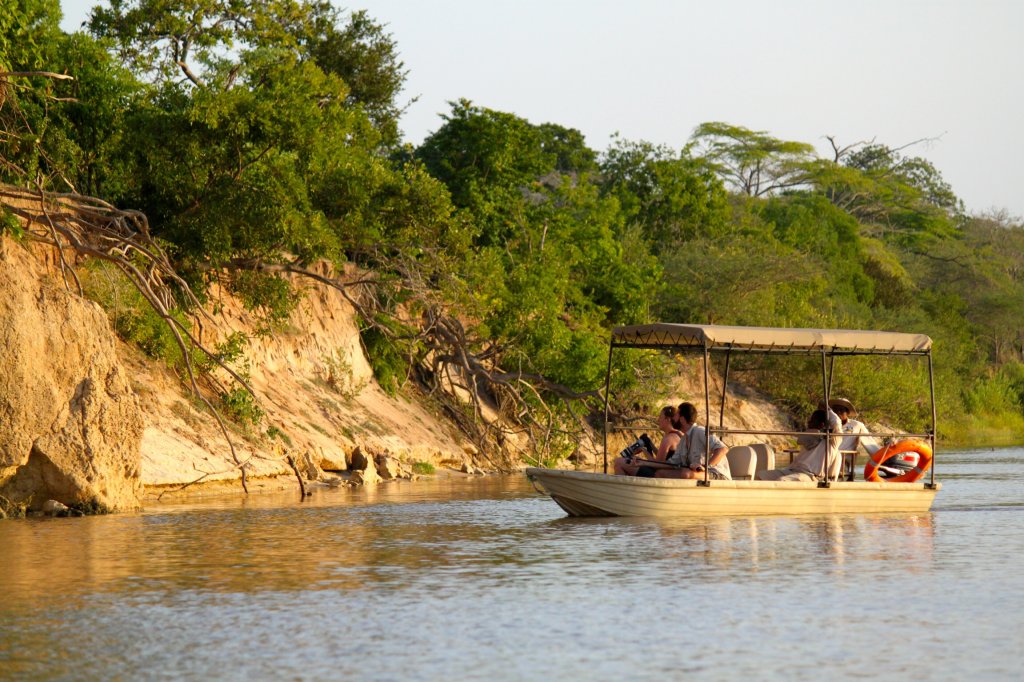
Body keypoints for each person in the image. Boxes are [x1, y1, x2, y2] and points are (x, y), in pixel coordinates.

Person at [757, 406, 842, 482]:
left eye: (813, 421)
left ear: (822, 425)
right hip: (792, 470)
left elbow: (837, 424)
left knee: (782, 481)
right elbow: (804, 439)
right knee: (760, 475)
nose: (809, 423)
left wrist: (828, 409)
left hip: (810, 476)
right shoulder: (810, 437)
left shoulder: (832, 442)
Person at [655, 402, 731, 480]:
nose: (673, 418)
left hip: (716, 474)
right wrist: (645, 463)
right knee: (660, 473)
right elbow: (672, 463)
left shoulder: (700, 431)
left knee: (686, 474)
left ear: (682, 420)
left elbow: (723, 449)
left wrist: (706, 467)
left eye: (676, 415)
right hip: (697, 474)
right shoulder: (683, 440)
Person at [613, 405, 683, 476]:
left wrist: (643, 450)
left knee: (618, 462)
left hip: (659, 475)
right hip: (663, 470)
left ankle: (624, 486)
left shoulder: (668, 438)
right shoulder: (674, 434)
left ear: (668, 419)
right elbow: (662, 459)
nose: (658, 420)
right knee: (625, 461)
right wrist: (649, 443)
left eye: (660, 417)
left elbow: (657, 464)